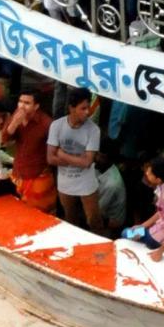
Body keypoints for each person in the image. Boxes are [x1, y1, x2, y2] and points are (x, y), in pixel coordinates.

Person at [47, 91, 105, 228]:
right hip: (65, 183)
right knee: (70, 218)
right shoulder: (56, 126)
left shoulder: (93, 130)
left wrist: (62, 154)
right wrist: (77, 159)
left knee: (94, 219)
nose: (87, 112)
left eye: (88, 107)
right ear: (71, 108)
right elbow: (50, 158)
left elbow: (87, 162)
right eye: (83, 108)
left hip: (86, 183)